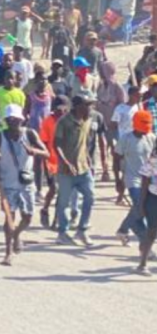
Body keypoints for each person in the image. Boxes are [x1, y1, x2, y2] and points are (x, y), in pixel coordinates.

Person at [0, 105, 48, 266]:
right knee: (10, 216)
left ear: (21, 119)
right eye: (10, 120)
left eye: (15, 119)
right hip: (7, 183)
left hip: (26, 183)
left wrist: (34, 151)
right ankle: (8, 252)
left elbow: (46, 153)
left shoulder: (29, 134)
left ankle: (16, 235)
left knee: (28, 217)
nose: (13, 122)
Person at [54, 92, 98, 247]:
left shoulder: (89, 120)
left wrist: (89, 160)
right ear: (78, 106)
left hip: (83, 168)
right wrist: (65, 162)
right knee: (64, 203)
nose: (90, 108)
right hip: (66, 170)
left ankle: (82, 229)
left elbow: (86, 142)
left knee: (91, 197)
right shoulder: (64, 122)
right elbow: (56, 144)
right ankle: (62, 233)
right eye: (88, 105)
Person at [116, 110, 156, 247]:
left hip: (149, 181)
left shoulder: (151, 137)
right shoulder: (126, 139)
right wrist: (117, 180)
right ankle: (145, 243)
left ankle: (123, 229)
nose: (146, 131)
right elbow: (116, 159)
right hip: (133, 179)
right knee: (140, 207)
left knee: (139, 207)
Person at [133, 121, 157, 275]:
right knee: (152, 231)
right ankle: (142, 264)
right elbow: (145, 179)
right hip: (153, 197)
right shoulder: (154, 159)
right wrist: (140, 204)